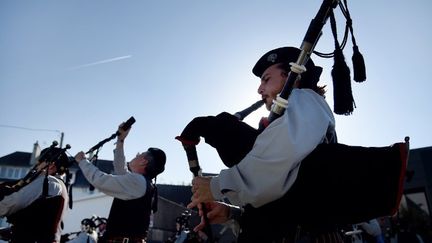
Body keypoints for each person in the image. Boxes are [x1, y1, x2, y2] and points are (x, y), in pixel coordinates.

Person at [188, 46, 343, 242]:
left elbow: (279, 159)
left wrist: (218, 185)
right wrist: (232, 214)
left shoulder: (306, 99)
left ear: (292, 78)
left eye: (267, 79)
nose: (259, 89)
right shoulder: (287, 120)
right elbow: (280, 202)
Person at [74, 122, 166, 243]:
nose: (137, 154)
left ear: (143, 162)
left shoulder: (137, 182)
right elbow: (121, 170)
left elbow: (101, 180)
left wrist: (82, 161)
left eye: (140, 154)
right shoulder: (143, 183)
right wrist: (120, 140)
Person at [0, 146, 70, 243]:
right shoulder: (61, 186)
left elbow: (11, 204)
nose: (37, 167)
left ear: (51, 165)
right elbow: (37, 220)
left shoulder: (48, 181)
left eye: (40, 162)